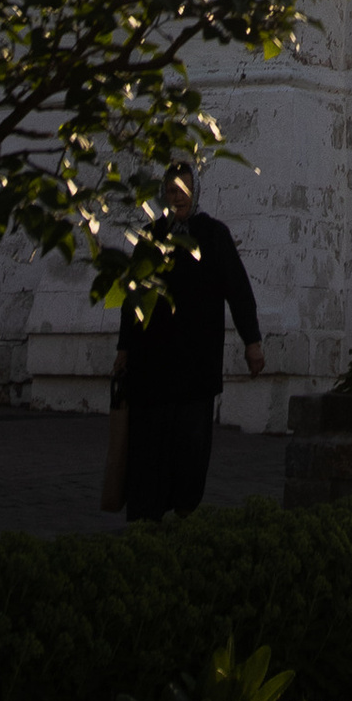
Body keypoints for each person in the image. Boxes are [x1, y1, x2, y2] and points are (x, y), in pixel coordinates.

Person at [112, 166, 264, 521]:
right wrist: (124, 349)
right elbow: (132, 299)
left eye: (184, 189)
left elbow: (238, 291)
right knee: (149, 448)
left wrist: (252, 341)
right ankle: (146, 521)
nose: (177, 196)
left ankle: (184, 514)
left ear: (196, 192)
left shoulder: (213, 236)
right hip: (151, 368)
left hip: (196, 367)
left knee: (191, 448)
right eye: (170, 189)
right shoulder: (151, 239)